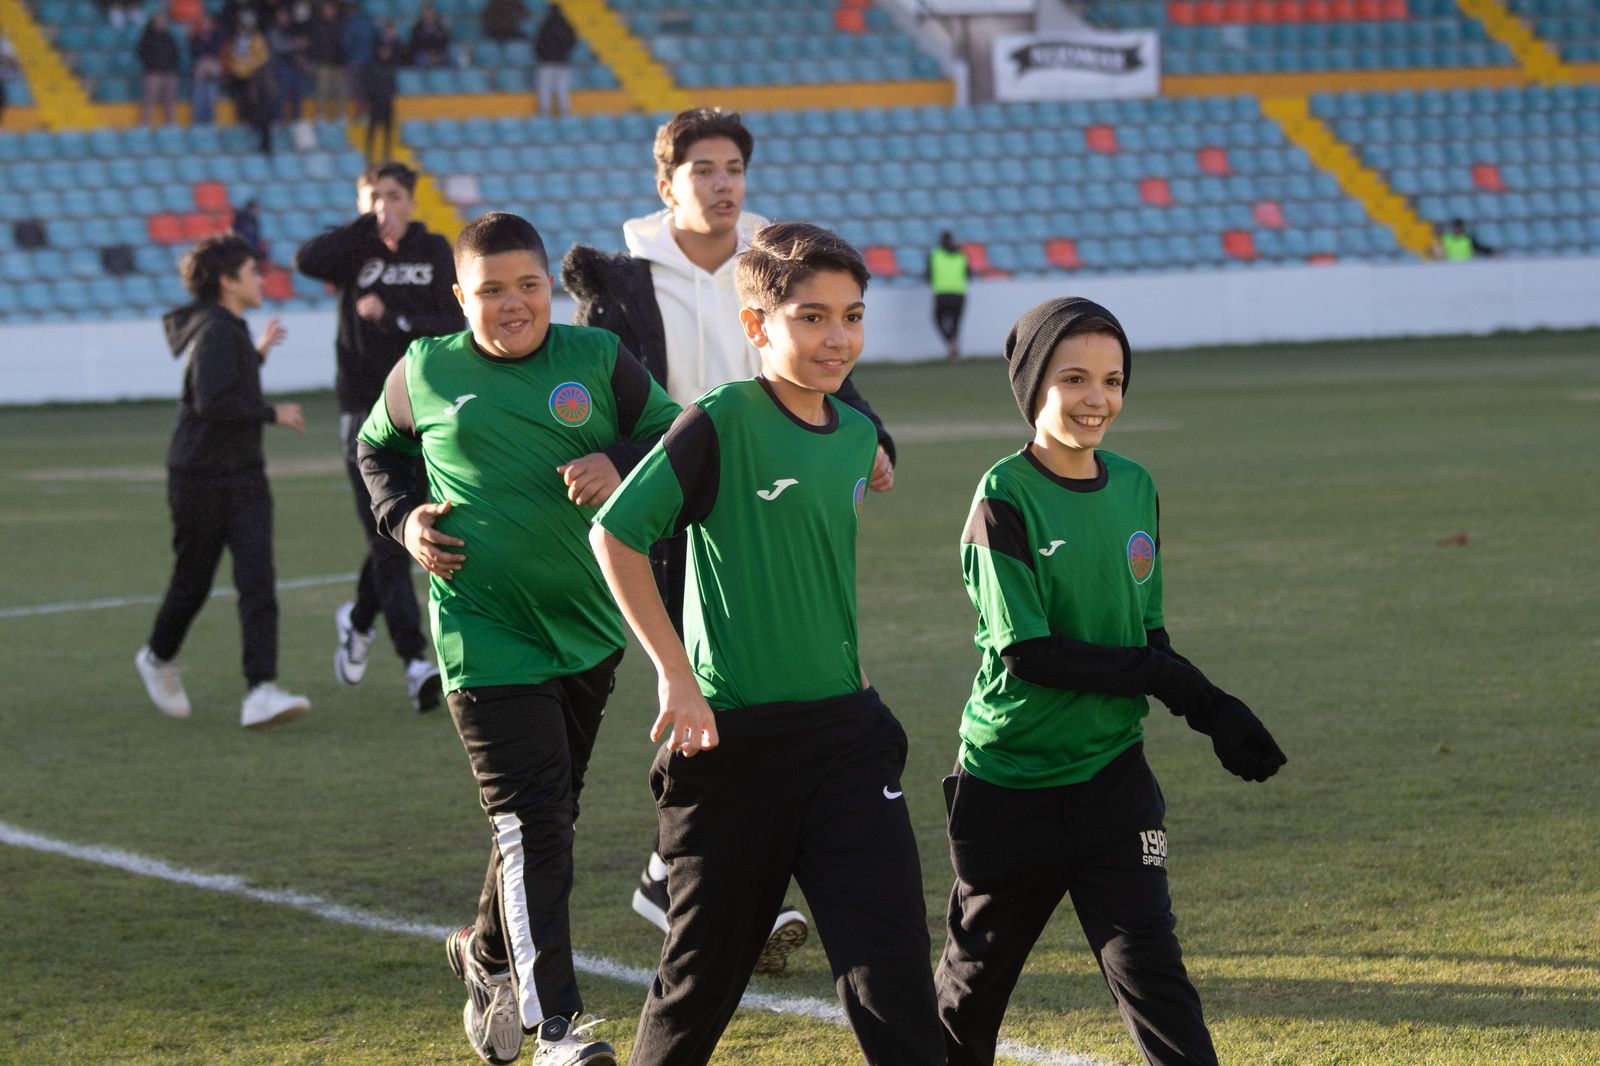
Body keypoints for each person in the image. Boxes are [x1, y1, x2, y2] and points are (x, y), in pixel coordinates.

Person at [591, 222, 944, 1066]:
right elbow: (616, 535)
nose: (838, 338)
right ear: (757, 327)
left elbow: (814, 570)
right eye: (813, 317)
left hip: (847, 744)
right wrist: (676, 675)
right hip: (731, 747)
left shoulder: (858, 438)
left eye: (852, 316)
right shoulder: (721, 420)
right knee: (700, 985)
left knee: (894, 977)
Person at [562, 106, 898, 974]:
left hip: (768, 491)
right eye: (703, 169)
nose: (722, 185)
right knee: (699, 687)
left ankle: (687, 872)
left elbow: (824, 361)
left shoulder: (775, 259)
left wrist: (871, 435)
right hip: (670, 499)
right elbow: (615, 394)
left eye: (733, 170)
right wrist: (615, 459)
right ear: (666, 183)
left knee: (743, 686)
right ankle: (698, 873)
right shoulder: (625, 276)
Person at [357, 211, 680, 1066]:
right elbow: (373, 449)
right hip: (482, 636)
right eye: (491, 290)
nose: (512, 304)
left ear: (549, 288)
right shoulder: (425, 369)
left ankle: (486, 954)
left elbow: (676, 433)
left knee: (546, 820)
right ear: (459, 296)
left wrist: (619, 457)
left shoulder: (597, 360)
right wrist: (402, 519)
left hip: (589, 629)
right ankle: (559, 1029)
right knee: (532, 821)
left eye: (528, 286)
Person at [933, 297, 1289, 1066]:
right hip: (1011, 784)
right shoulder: (1003, 498)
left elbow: (1145, 630)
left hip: (1112, 783)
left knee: (1155, 977)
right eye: (1075, 379)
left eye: (1114, 379)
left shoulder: (1135, 486)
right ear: (1033, 387)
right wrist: (1183, 688)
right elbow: (1032, 653)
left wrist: (1210, 705)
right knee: (969, 1000)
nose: (1099, 399)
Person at [295, 161, 460, 712]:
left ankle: (360, 617)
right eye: (371, 197)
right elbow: (305, 259)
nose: (383, 205)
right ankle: (416, 662)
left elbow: (450, 321)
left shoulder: (433, 249)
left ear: (412, 201)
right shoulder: (351, 252)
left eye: (392, 195)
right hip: (361, 412)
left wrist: (393, 318)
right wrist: (364, 229)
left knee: (400, 523)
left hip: (421, 407)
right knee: (385, 524)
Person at [133, 234, 312, 731]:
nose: (260, 278)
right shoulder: (215, 331)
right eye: (252, 271)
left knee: (257, 580)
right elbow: (212, 402)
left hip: (243, 475)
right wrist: (272, 412)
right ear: (228, 281)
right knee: (194, 578)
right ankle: (156, 656)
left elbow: (225, 384)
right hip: (201, 477)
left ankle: (261, 691)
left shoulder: (228, 330)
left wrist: (257, 355)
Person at [224, 10, 272, 154]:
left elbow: (262, 57)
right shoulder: (240, 40)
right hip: (241, 78)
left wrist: (248, 68)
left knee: (259, 109)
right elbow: (234, 58)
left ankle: (262, 141)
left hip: (252, 77)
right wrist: (239, 69)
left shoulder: (256, 39)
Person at [928, 230, 968, 360]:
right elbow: (969, 274)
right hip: (959, 293)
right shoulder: (961, 255)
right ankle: (954, 344)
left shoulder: (935, 255)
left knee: (938, 319)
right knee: (956, 323)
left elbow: (928, 274)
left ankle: (950, 344)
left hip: (942, 293)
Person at [360, 29, 398, 162]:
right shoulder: (373, 67)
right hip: (375, 103)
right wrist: (370, 98)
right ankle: (368, 153)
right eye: (383, 51)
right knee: (372, 129)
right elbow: (367, 85)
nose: (386, 53)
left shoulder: (391, 67)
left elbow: (393, 85)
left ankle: (386, 154)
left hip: (387, 102)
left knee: (388, 130)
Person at [136, 12, 180, 127]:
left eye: (164, 21)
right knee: (150, 98)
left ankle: (170, 122)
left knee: (170, 99)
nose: (162, 23)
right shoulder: (147, 37)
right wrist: (151, 65)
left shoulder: (169, 37)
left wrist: (173, 68)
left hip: (169, 72)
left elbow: (175, 54)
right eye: (160, 21)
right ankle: (146, 122)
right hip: (153, 72)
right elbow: (141, 53)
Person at [266, 5, 308, 123]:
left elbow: (304, 45)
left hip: (295, 67)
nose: (282, 17)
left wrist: (301, 58)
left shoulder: (294, 28)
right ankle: (278, 119)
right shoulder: (273, 30)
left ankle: (296, 120)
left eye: (284, 15)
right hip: (281, 67)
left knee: (298, 95)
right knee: (280, 95)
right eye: (280, 15)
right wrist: (296, 44)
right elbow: (279, 46)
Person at [532, 4, 574, 118]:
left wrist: (541, 56)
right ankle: (564, 111)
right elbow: (572, 42)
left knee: (545, 87)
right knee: (562, 88)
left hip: (546, 62)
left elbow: (538, 44)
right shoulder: (567, 26)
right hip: (562, 62)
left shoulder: (545, 26)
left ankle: (544, 111)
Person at [307, 0, 345, 120]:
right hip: (323, 62)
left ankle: (340, 115)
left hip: (339, 62)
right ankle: (320, 114)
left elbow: (344, 44)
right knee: (322, 90)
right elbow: (314, 44)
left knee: (341, 91)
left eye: (332, 9)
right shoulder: (318, 25)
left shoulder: (340, 25)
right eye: (327, 9)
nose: (329, 11)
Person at [188, 12, 226, 125]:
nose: (206, 25)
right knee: (199, 95)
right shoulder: (195, 37)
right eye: (204, 23)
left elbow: (215, 51)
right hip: (200, 66)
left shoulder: (217, 36)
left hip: (212, 66)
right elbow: (196, 53)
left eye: (208, 23)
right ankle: (198, 121)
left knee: (210, 95)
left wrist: (207, 61)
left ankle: (210, 121)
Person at [408, 0, 450, 67]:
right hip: (423, 54)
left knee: (449, 56)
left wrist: (436, 55)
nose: (429, 14)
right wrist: (429, 56)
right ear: (423, 13)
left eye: (430, 12)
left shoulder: (440, 27)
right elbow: (414, 44)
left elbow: (444, 42)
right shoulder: (417, 27)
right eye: (427, 12)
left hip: (438, 54)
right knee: (419, 58)